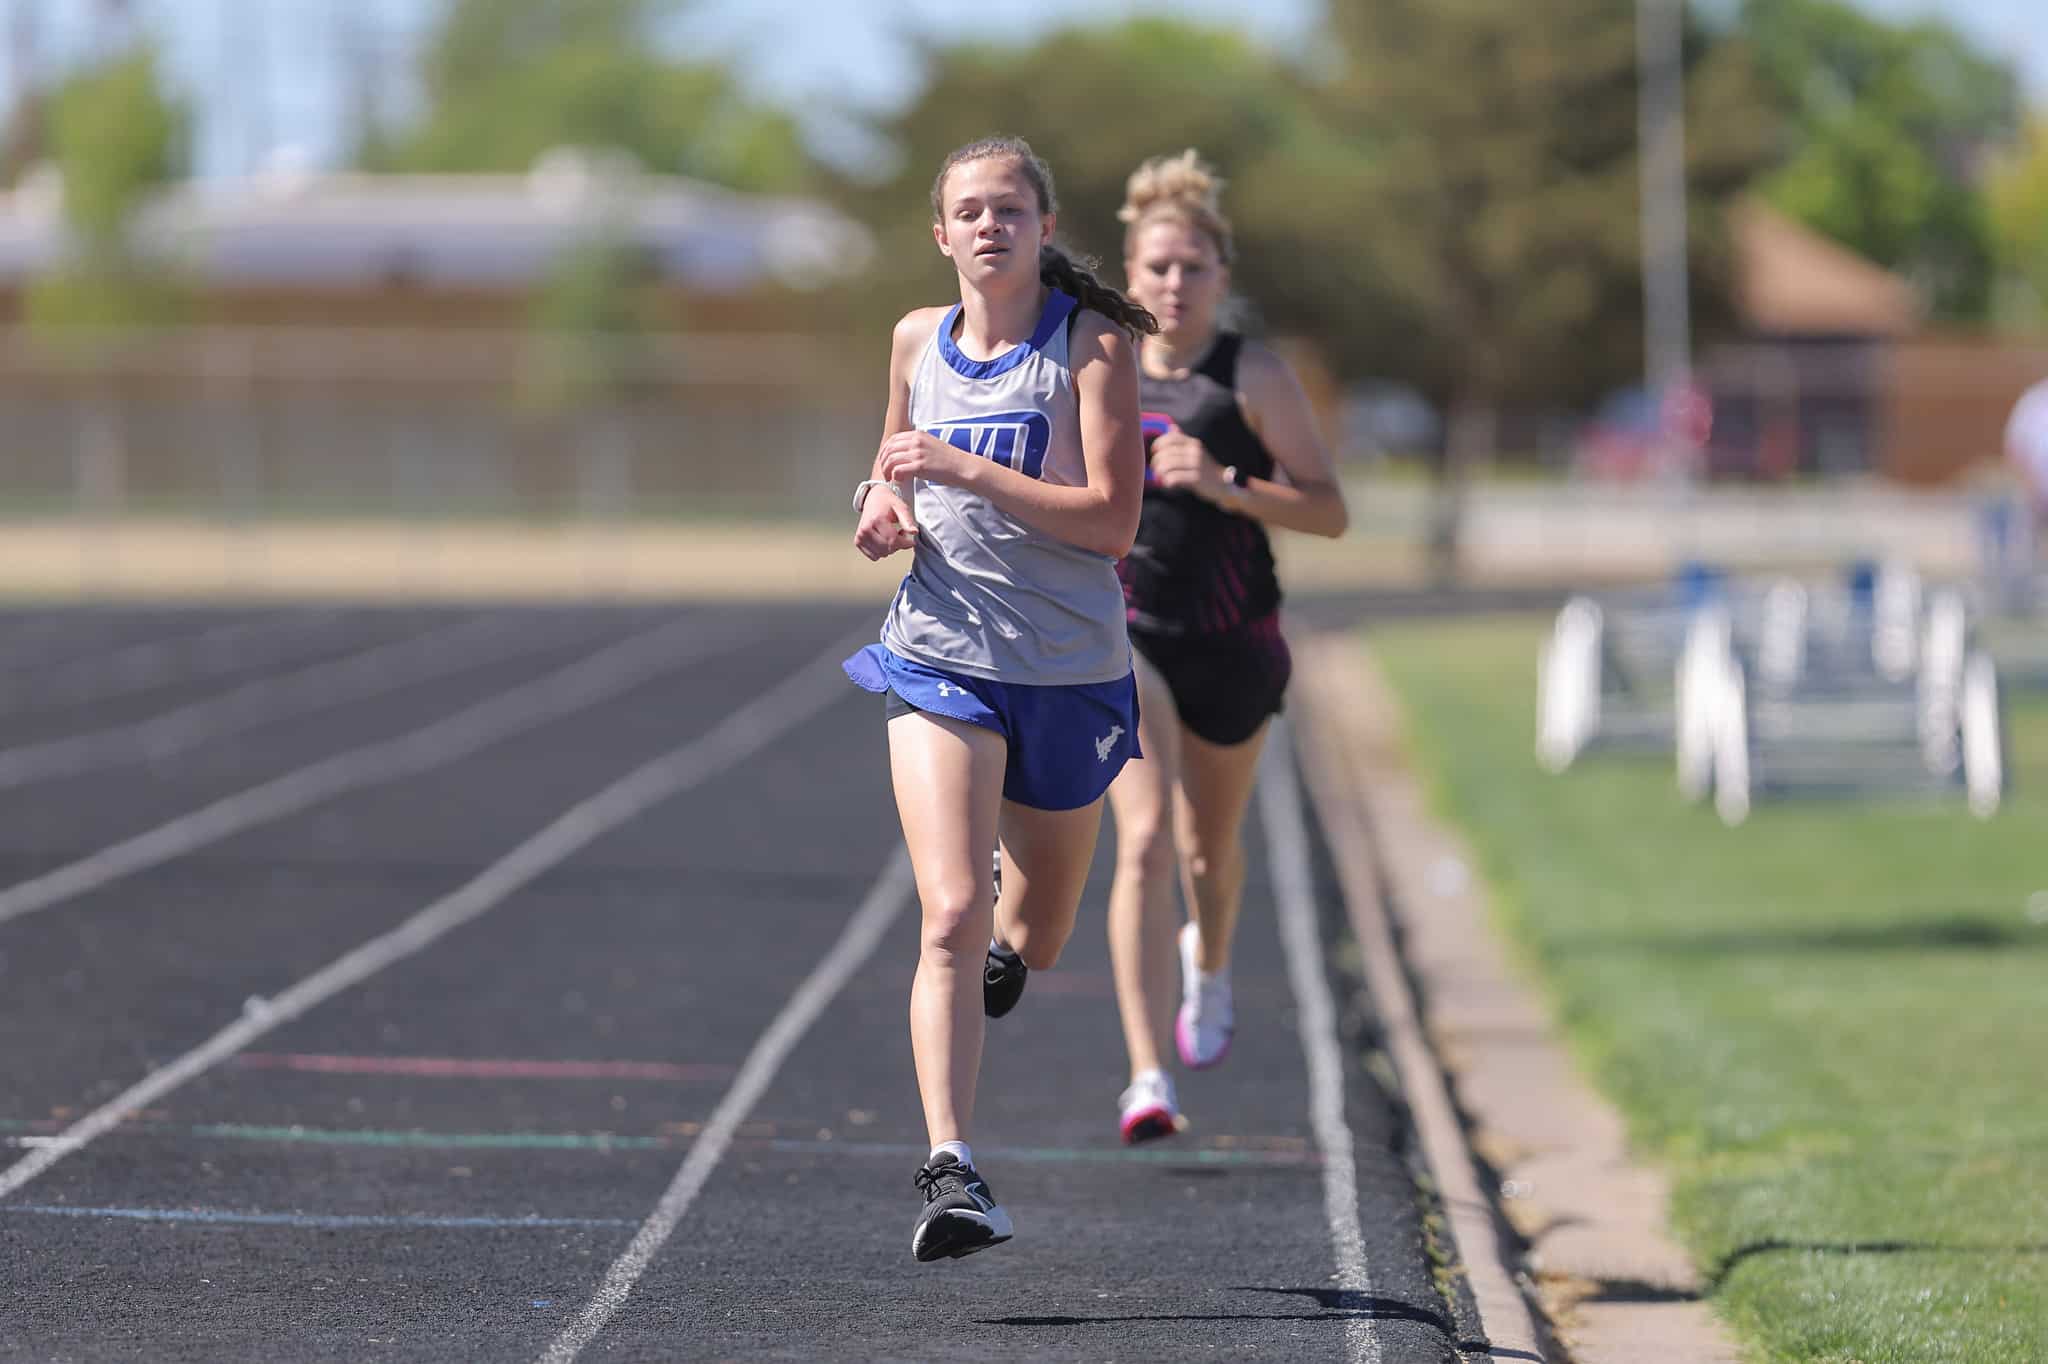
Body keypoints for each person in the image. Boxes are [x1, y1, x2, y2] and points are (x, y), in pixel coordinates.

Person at [843, 135, 1156, 1260]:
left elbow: (1111, 522)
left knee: (1039, 929)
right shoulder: (914, 339)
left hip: (1069, 672)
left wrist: (961, 470)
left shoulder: (1091, 348)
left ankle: (1006, 944)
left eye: (1008, 210)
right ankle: (951, 1169)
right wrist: (879, 508)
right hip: (940, 652)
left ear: (1042, 228)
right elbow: (889, 463)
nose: (987, 226)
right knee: (943, 911)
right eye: (967, 211)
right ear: (941, 234)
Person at [1100, 149, 1348, 1143]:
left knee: (1210, 846)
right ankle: (1144, 1072)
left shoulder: (1252, 374)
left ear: (1220, 278)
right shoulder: (1098, 367)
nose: (1171, 283)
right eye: (1155, 266)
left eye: (1191, 267)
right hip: (1130, 635)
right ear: (1129, 270)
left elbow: (1329, 511)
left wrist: (1221, 481)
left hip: (1234, 641)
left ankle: (1208, 967)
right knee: (1146, 833)